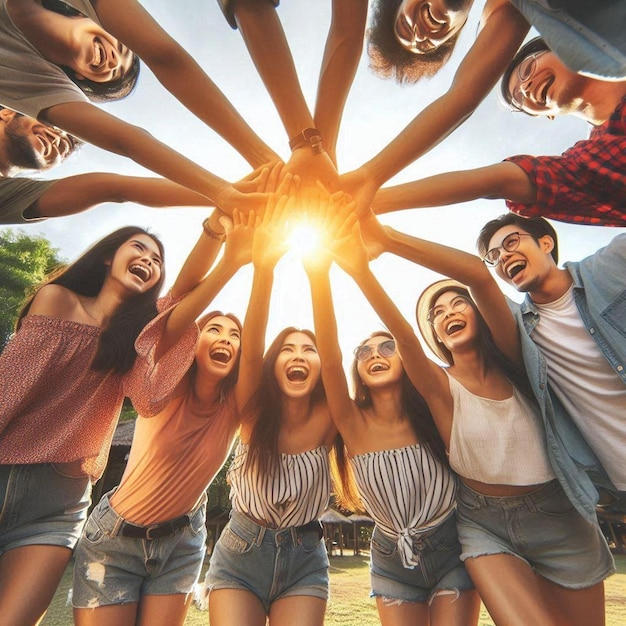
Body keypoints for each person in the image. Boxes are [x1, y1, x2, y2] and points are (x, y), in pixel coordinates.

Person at [334, 214, 616, 625]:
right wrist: (361, 269)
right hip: (485, 526)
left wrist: (387, 238)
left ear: (479, 312)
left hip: (560, 516)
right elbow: (402, 335)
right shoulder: (437, 387)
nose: (448, 311)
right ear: (435, 334)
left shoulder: (518, 362)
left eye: (458, 302)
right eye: (437, 312)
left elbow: (479, 277)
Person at [0, 226, 196, 625]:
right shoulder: (58, 300)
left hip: (59, 502)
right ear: (108, 256)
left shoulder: (133, 343)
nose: (148, 260)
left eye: (157, 260)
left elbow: (148, 400)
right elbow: (10, 389)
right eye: (138, 248)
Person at [72, 209, 259, 626]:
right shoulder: (165, 386)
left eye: (234, 336)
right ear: (192, 343)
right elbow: (177, 303)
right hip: (115, 539)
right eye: (213, 330)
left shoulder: (236, 406)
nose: (225, 339)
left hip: (182, 541)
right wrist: (222, 238)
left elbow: (258, 335)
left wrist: (262, 266)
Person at [304, 205, 480, 625]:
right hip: (389, 556)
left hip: (450, 543)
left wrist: (363, 270)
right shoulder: (352, 422)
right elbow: (328, 359)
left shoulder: (435, 407)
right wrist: (319, 271)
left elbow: (406, 337)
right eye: (363, 352)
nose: (374, 354)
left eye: (386, 349)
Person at [340, 0, 626, 216]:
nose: (419, 34)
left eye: (404, 25)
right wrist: (371, 179)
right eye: (427, 45)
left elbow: (341, 33)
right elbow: (464, 96)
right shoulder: (512, 9)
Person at [0, 0, 279, 213]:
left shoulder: (28, 80)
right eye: (120, 45)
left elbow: (127, 141)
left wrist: (225, 192)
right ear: (85, 14)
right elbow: (164, 57)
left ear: (79, 77)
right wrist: (265, 158)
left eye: (107, 73)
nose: (113, 61)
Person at [202, 193, 337, 626]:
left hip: (305, 556)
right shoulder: (252, 411)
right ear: (274, 364)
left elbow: (334, 350)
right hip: (241, 551)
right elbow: (253, 341)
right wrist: (264, 268)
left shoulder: (333, 418)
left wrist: (321, 276)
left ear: (321, 366)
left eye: (308, 350)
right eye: (288, 350)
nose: (298, 355)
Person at [476, 213, 626, 509]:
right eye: (494, 257)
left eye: (511, 242)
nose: (504, 256)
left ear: (546, 243)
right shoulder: (521, 328)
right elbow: (472, 277)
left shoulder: (610, 265)